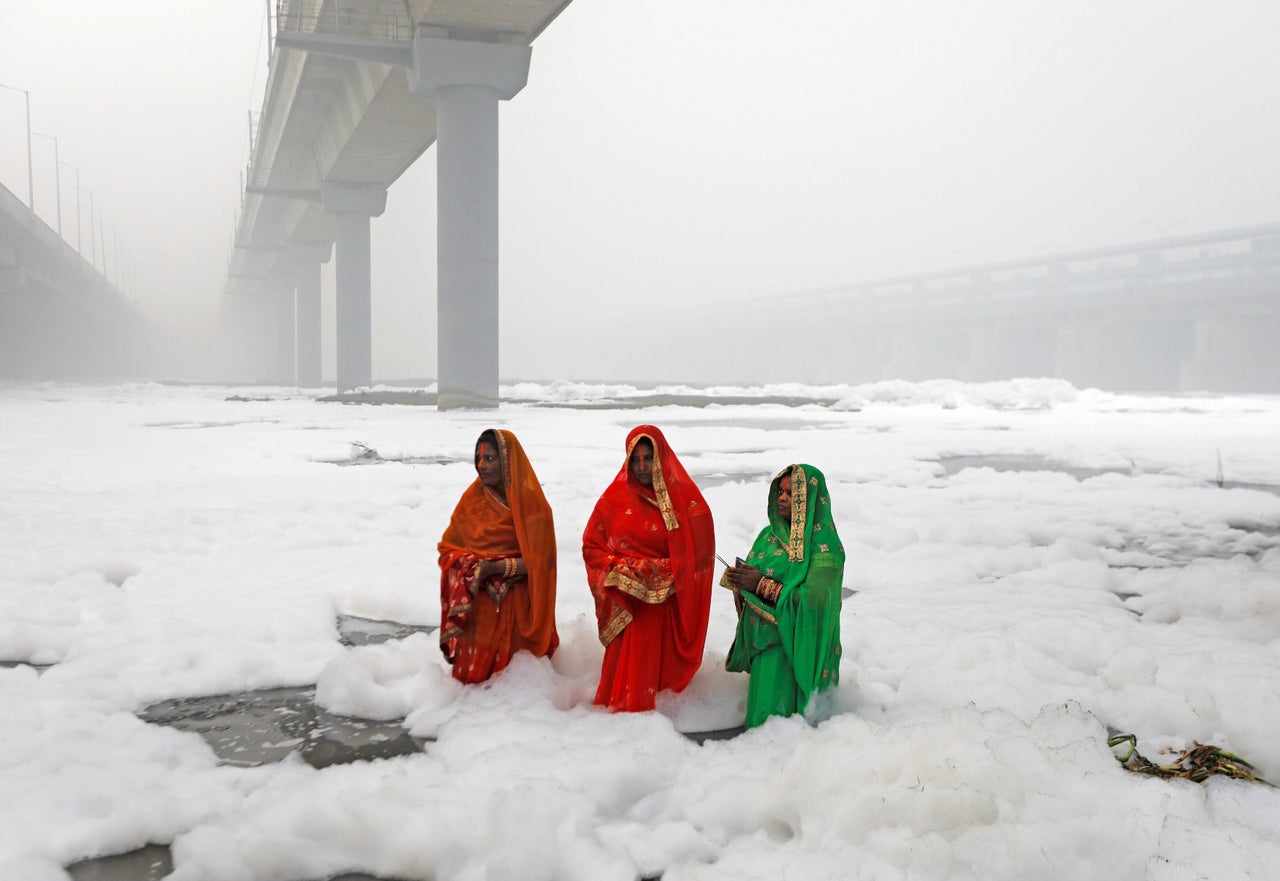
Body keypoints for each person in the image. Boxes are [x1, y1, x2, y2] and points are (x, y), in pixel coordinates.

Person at [582, 425, 715, 711]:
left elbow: (703, 556)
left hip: (664, 608)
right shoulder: (613, 499)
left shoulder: (685, 498)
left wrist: (667, 572)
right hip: (628, 607)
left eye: (648, 458)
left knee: (660, 693)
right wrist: (622, 569)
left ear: (661, 457)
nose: (642, 467)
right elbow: (592, 546)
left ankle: (659, 723)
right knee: (623, 694)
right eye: (636, 459)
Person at [723, 464, 844, 728]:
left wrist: (761, 585)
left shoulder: (825, 548)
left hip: (795, 653)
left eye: (791, 494)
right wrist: (741, 581)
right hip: (765, 649)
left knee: (786, 734)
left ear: (809, 500)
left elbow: (815, 604)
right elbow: (755, 578)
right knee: (760, 732)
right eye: (780, 491)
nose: (782, 498)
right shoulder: (769, 536)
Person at [438, 429, 558, 683]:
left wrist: (496, 569)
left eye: (490, 458)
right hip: (477, 603)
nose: (482, 466)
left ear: (507, 461)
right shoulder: (472, 499)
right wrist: (468, 565)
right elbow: (448, 548)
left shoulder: (533, 506)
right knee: (472, 689)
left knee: (512, 687)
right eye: (478, 458)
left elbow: (540, 564)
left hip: (517, 606)